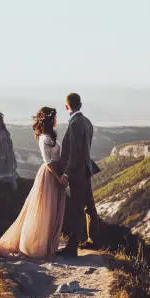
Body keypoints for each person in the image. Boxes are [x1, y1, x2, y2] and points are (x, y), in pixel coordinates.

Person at [0, 107, 67, 260]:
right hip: (49, 176)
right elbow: (48, 161)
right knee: (45, 209)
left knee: (53, 209)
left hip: (56, 174)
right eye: (54, 117)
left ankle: (49, 245)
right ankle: (36, 246)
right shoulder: (44, 138)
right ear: (49, 120)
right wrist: (59, 177)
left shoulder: (50, 136)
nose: (56, 120)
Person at [56, 93, 100, 258]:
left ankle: (72, 248)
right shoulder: (87, 122)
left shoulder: (74, 124)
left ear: (67, 106)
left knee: (76, 209)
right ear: (80, 104)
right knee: (89, 207)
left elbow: (75, 152)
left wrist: (67, 172)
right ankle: (94, 240)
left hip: (77, 173)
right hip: (86, 170)